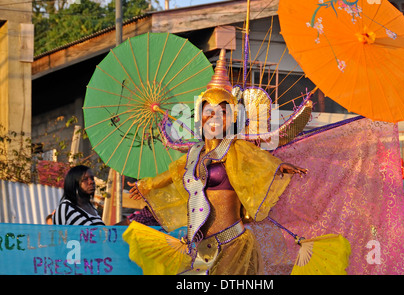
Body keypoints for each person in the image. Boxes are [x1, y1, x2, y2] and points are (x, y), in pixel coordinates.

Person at [123, 49, 307, 275]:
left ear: (231, 117)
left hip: (233, 242)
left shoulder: (236, 147)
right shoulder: (194, 153)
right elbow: (172, 175)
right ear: (200, 115)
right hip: (203, 246)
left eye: (222, 111)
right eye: (209, 111)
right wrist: (146, 185)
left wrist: (279, 167)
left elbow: (262, 161)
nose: (215, 117)